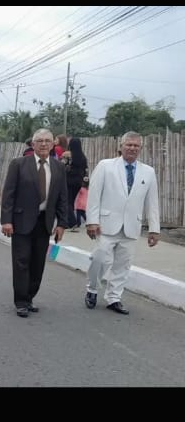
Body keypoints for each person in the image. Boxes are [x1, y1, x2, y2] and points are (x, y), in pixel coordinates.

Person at [85, 132, 160, 315]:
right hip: (106, 224)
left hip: (131, 226)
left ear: (140, 148)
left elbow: (152, 202)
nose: (132, 148)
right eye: (129, 145)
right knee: (99, 259)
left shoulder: (148, 172)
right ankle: (92, 288)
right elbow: (94, 195)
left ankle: (114, 298)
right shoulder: (105, 166)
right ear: (121, 146)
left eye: (136, 145)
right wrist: (92, 221)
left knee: (123, 265)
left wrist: (154, 229)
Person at [0, 128, 69, 317]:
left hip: (44, 222)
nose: (44, 144)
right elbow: (8, 194)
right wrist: (6, 220)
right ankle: (21, 301)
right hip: (21, 221)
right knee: (21, 261)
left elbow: (63, 198)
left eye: (47, 141)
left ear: (53, 144)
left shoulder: (58, 167)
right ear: (33, 144)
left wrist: (62, 224)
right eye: (40, 141)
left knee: (38, 263)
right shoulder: (19, 164)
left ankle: (30, 297)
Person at [64, 136, 88, 230]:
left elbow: (63, 165)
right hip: (78, 182)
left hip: (68, 180)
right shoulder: (83, 157)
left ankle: (72, 222)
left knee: (67, 201)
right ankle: (70, 221)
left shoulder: (67, 154)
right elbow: (85, 169)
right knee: (72, 201)